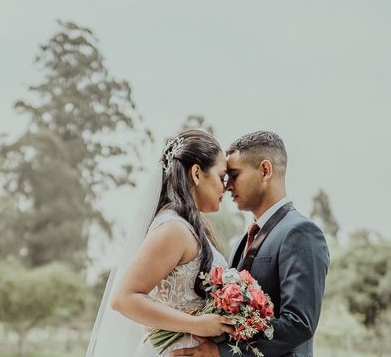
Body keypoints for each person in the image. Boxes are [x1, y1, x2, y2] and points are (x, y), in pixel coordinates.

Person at [172, 131, 330, 357]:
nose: (227, 187)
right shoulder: (240, 242)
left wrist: (222, 352)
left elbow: (299, 323)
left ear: (265, 171)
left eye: (234, 175)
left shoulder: (300, 232)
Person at [86, 129, 233, 357]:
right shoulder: (174, 229)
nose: (225, 186)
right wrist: (197, 325)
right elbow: (123, 298)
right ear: (196, 173)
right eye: (221, 176)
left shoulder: (188, 226)